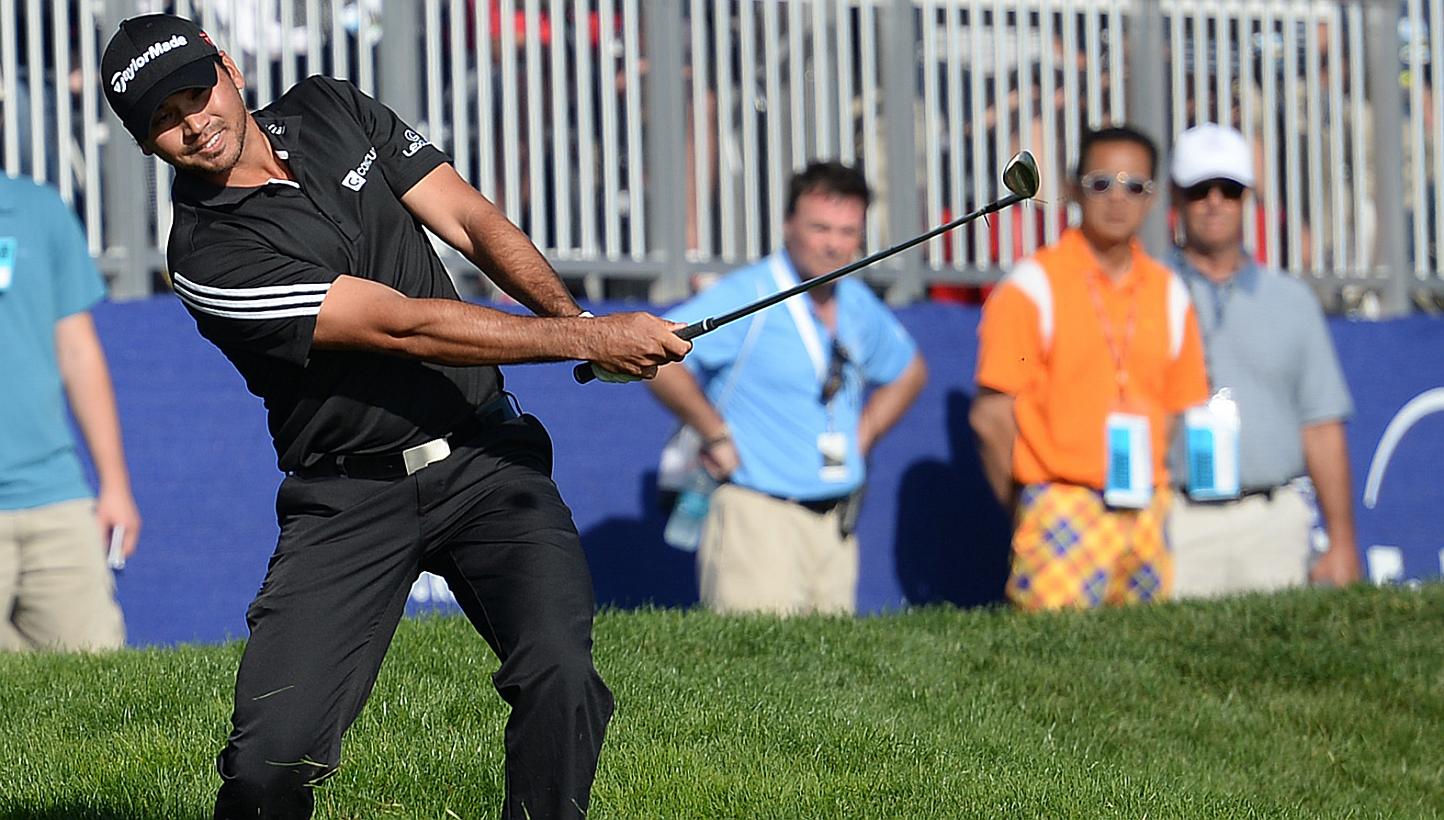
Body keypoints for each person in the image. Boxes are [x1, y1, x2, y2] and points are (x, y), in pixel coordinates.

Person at [101, 14, 689, 819]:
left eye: (196, 96)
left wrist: (573, 319)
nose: (192, 125)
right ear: (144, 144)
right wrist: (586, 337)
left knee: (561, 674)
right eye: (162, 121)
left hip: (485, 460)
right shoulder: (207, 257)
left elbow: (469, 218)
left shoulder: (333, 108)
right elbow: (405, 326)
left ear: (230, 71)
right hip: (349, 500)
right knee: (272, 762)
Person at [646, 161, 927, 615]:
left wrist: (867, 431)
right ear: (787, 224)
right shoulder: (751, 294)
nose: (834, 244)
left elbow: (910, 371)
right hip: (758, 516)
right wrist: (714, 433)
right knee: (755, 674)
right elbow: (660, 357)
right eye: (820, 228)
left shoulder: (856, 302)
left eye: (847, 231)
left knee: (837, 676)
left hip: (836, 521)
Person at [970, 125, 1209, 611]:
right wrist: (1025, 510)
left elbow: (1181, 409)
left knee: (1145, 669)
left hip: (1146, 506)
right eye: (1101, 183)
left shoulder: (1169, 292)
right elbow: (991, 417)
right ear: (1075, 188)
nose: (1117, 198)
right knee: (1053, 676)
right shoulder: (1033, 285)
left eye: (1133, 186)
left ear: (1153, 199)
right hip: (1060, 502)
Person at [1165, 123, 1360, 596]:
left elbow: (1321, 426)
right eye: (1199, 190)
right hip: (1175, 518)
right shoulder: (1147, 292)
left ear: (1247, 197)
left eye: (1229, 189)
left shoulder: (1291, 300)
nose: (1214, 201)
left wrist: (1343, 542)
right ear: (1175, 197)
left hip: (1272, 523)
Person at [0, 175, 141, 651]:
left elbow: (79, 354)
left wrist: (115, 486)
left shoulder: (41, 211)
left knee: (99, 684)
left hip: (55, 498)